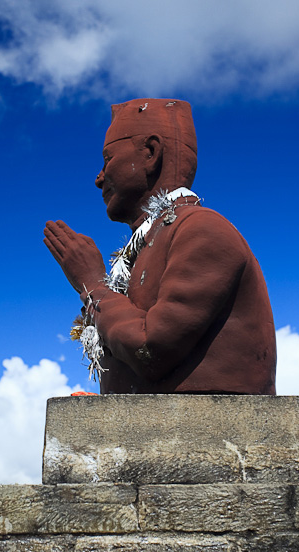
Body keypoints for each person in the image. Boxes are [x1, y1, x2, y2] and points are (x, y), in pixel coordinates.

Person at [44, 97, 276, 395]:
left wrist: (93, 284)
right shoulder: (147, 245)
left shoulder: (201, 228)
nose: (99, 179)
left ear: (151, 153)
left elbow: (151, 350)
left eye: (108, 160)